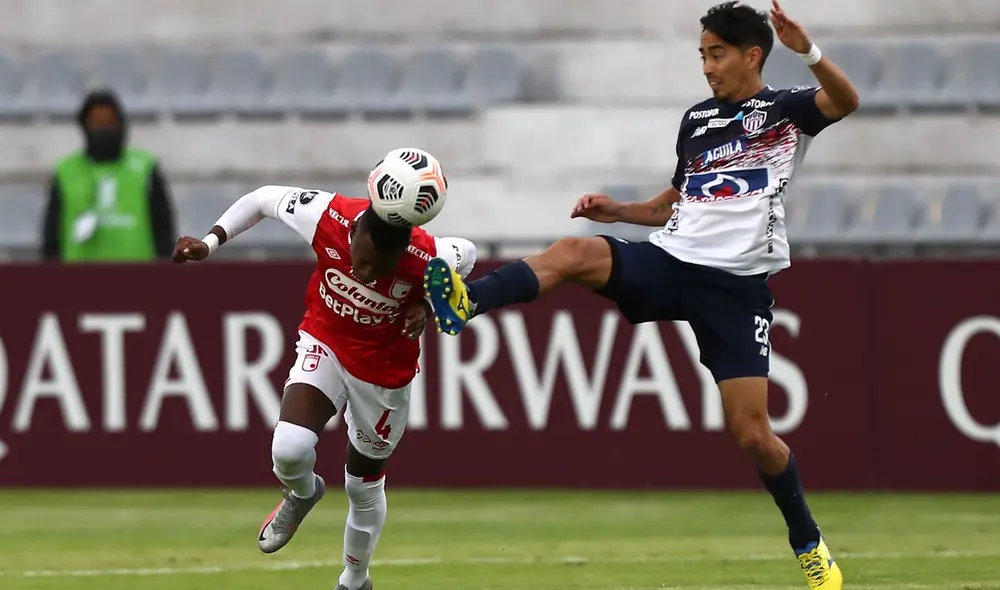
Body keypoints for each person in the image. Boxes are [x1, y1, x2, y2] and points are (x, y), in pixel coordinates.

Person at [422, 2, 858, 589]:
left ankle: (807, 540)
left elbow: (846, 101)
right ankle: (466, 302)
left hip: (734, 288)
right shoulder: (697, 119)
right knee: (573, 252)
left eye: (717, 54)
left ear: (752, 55)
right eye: (702, 55)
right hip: (673, 260)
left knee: (754, 435)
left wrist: (808, 51)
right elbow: (673, 203)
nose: (706, 67)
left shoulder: (786, 109)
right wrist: (618, 211)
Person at [172, 183, 477, 590]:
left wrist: (425, 303)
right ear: (353, 236)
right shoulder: (327, 216)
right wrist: (210, 242)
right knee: (289, 449)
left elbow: (467, 254)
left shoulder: (425, 254)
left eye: (378, 270)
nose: (364, 274)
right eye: (361, 263)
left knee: (361, 486)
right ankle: (302, 493)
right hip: (327, 341)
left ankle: (355, 579)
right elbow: (262, 199)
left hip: (383, 374)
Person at [41, 88, 176, 262]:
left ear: (121, 124)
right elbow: (52, 238)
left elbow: (164, 233)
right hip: (79, 276)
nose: (103, 128)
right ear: (84, 126)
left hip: (136, 275)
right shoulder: (66, 172)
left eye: (109, 121)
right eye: (97, 122)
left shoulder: (145, 169)